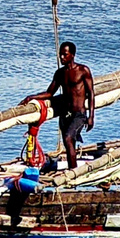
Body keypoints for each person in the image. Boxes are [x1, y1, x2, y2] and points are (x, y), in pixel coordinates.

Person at [22, 41, 94, 169]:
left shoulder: (83, 71)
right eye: (60, 54)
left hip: (79, 114)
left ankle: (73, 172)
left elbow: (91, 93)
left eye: (65, 55)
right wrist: (31, 97)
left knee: (67, 138)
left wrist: (91, 117)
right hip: (65, 114)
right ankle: (73, 169)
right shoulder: (60, 73)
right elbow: (50, 93)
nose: (61, 57)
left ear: (72, 55)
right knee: (68, 143)